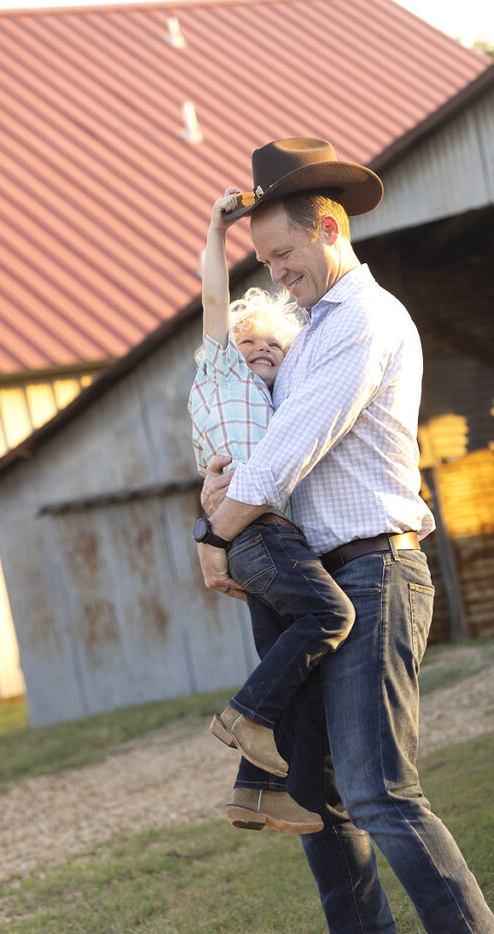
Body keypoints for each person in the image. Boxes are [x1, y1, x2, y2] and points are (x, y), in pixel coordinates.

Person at [195, 139, 494, 934]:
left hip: (374, 570)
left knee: (379, 788)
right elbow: (263, 450)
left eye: (284, 257)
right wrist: (216, 484)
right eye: (263, 262)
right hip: (312, 573)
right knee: (317, 795)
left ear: (328, 228)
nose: (277, 275)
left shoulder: (363, 323)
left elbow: (292, 448)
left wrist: (211, 536)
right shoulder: (303, 339)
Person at [189, 187, 356, 834]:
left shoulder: (275, 403)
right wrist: (214, 231)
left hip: (266, 536)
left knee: (291, 673)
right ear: (228, 347)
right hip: (257, 534)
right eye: (250, 340)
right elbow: (211, 297)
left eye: (274, 347)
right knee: (328, 613)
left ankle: (256, 792)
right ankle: (241, 717)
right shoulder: (222, 377)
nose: (262, 350)